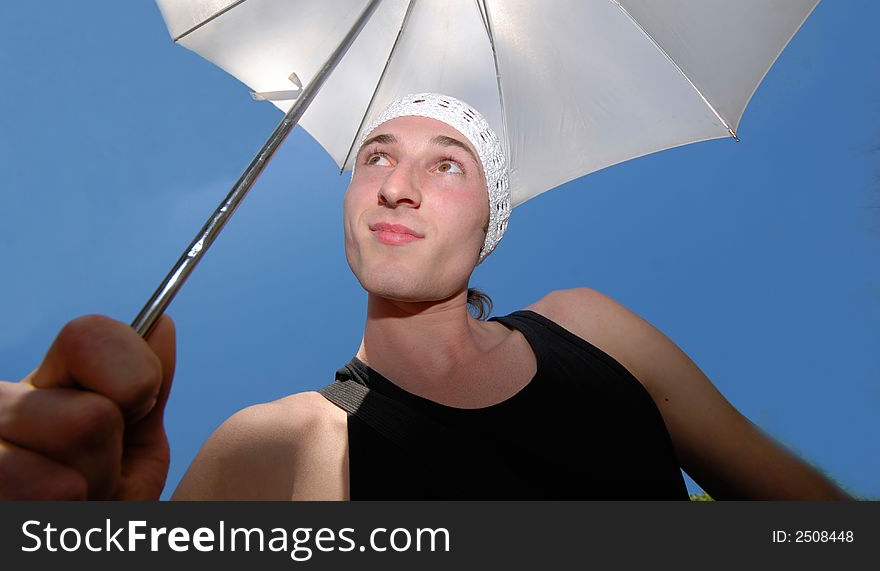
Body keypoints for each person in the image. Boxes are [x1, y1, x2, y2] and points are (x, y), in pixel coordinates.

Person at [0, 93, 851, 501]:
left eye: (446, 163)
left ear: (490, 221)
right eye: (375, 155)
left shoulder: (593, 331)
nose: (396, 186)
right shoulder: (269, 446)